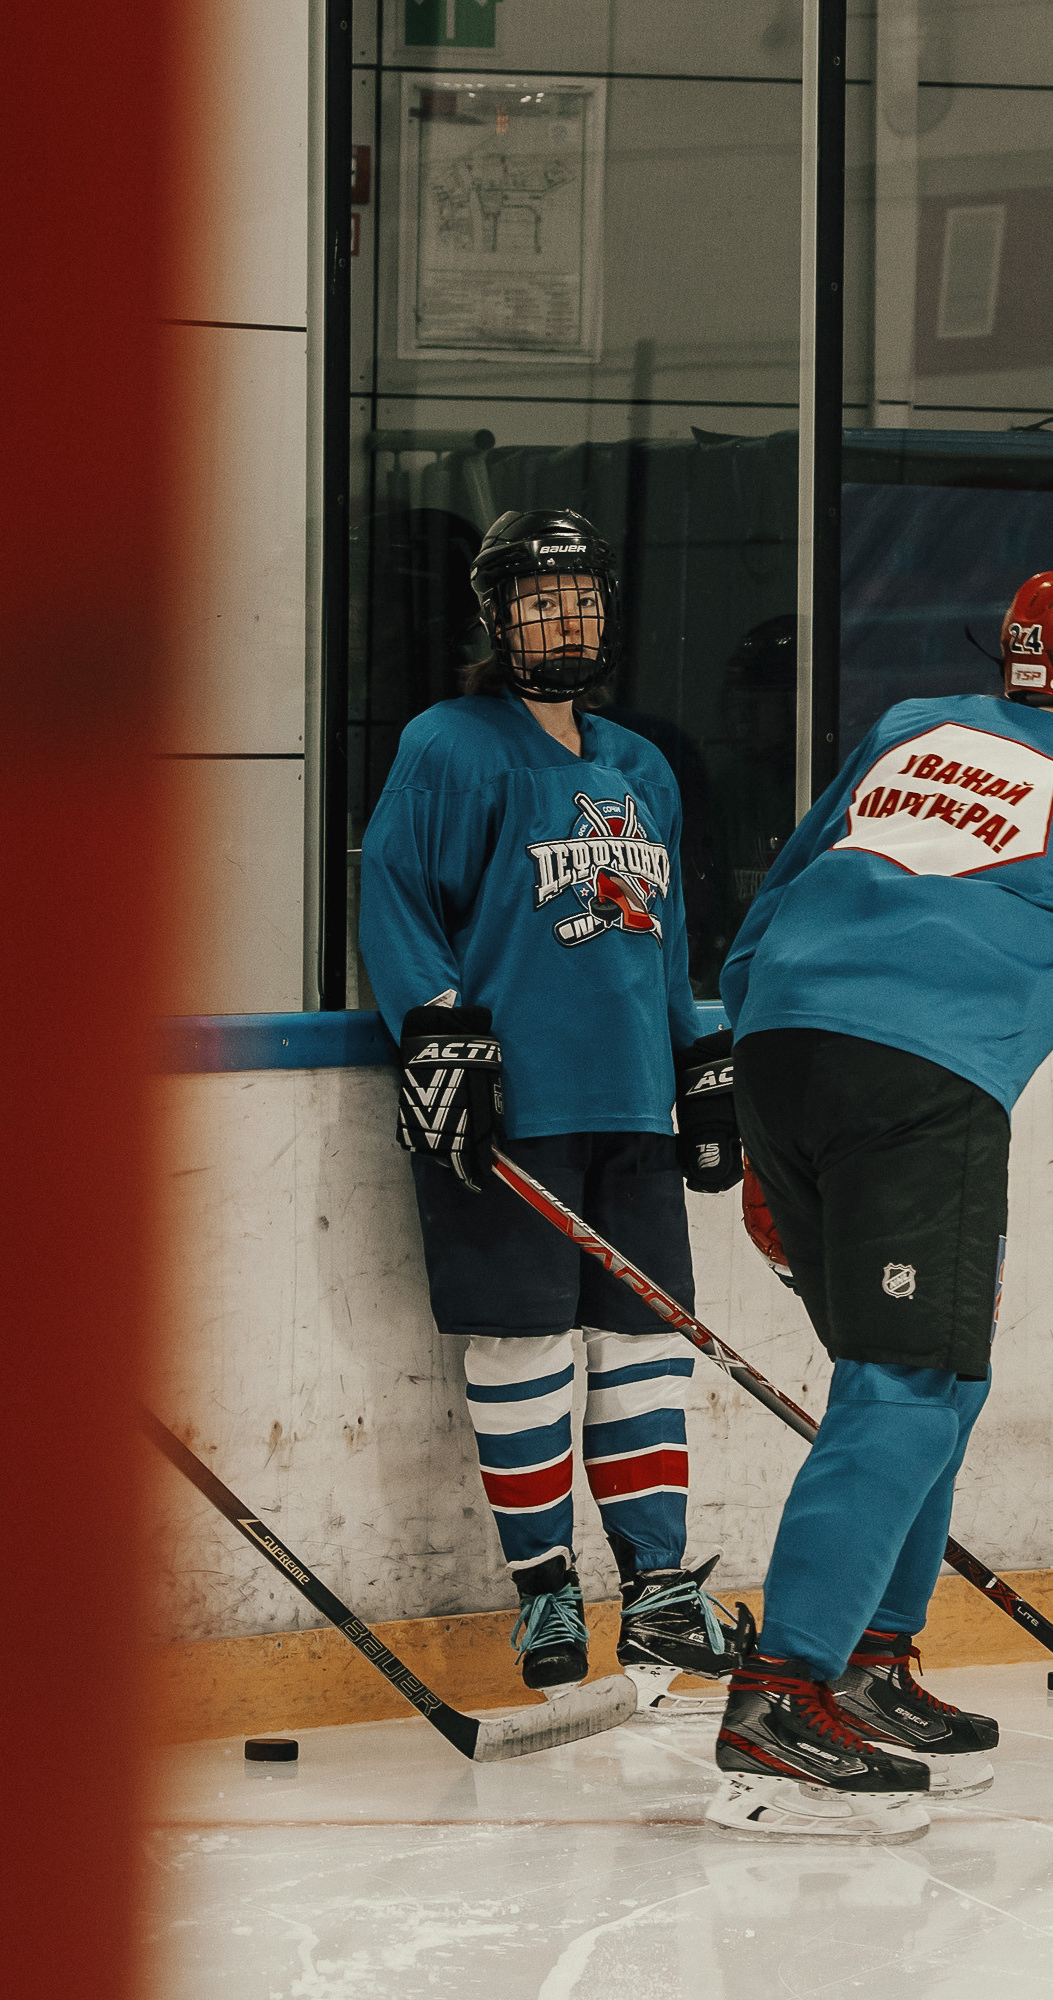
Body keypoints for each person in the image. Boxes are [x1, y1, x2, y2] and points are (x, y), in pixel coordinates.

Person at [359, 507, 743, 1703]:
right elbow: (393, 894)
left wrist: (696, 1054)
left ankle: (658, 1586)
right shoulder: (448, 743)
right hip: (507, 1106)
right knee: (522, 1344)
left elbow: (662, 933)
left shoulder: (640, 764)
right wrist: (433, 1024)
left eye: (580, 598)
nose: (563, 620)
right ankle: (541, 1588)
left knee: (644, 1346)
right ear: (497, 617)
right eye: (538, 600)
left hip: (629, 1103)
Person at [708, 569, 1053, 1841]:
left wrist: (763, 1127)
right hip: (923, 1075)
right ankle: (781, 1689)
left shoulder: (918, 722)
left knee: (931, 1375)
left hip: (780, 1047)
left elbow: (773, 902)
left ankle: (870, 1660)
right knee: (906, 1383)